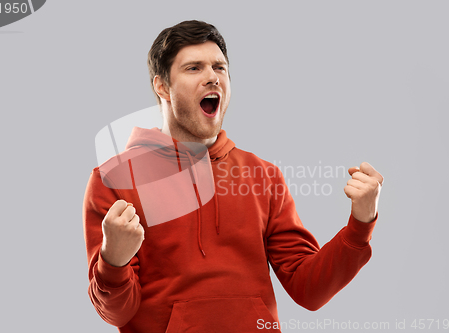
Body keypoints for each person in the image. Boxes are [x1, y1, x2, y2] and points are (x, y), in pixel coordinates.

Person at [83, 20, 384, 333]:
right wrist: (113, 260)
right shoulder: (114, 180)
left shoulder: (264, 176)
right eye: (193, 68)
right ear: (162, 87)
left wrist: (361, 223)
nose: (212, 77)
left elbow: (309, 289)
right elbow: (117, 313)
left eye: (219, 67)